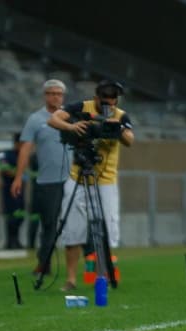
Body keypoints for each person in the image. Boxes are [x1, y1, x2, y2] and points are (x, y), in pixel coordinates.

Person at [47, 80, 134, 291]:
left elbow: (130, 140)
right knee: (73, 229)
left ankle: (104, 275)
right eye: (105, 100)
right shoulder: (80, 108)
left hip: (105, 179)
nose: (109, 104)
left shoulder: (120, 115)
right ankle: (70, 279)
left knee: (108, 228)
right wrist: (73, 126)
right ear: (96, 98)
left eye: (113, 101)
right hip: (78, 175)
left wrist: (116, 127)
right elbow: (53, 119)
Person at [10, 79, 71, 275]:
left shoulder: (72, 117)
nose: (55, 97)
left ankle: (91, 264)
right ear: (45, 96)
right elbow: (25, 149)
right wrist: (18, 177)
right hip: (48, 181)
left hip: (72, 179)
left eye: (59, 94)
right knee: (49, 223)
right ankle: (44, 264)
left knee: (79, 221)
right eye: (51, 93)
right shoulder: (36, 119)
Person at [0, 133, 26, 249]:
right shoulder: (8, 155)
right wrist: (19, 174)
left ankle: (16, 239)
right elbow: (5, 170)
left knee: (20, 215)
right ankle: (10, 241)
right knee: (11, 216)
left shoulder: (23, 155)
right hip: (9, 190)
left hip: (20, 191)